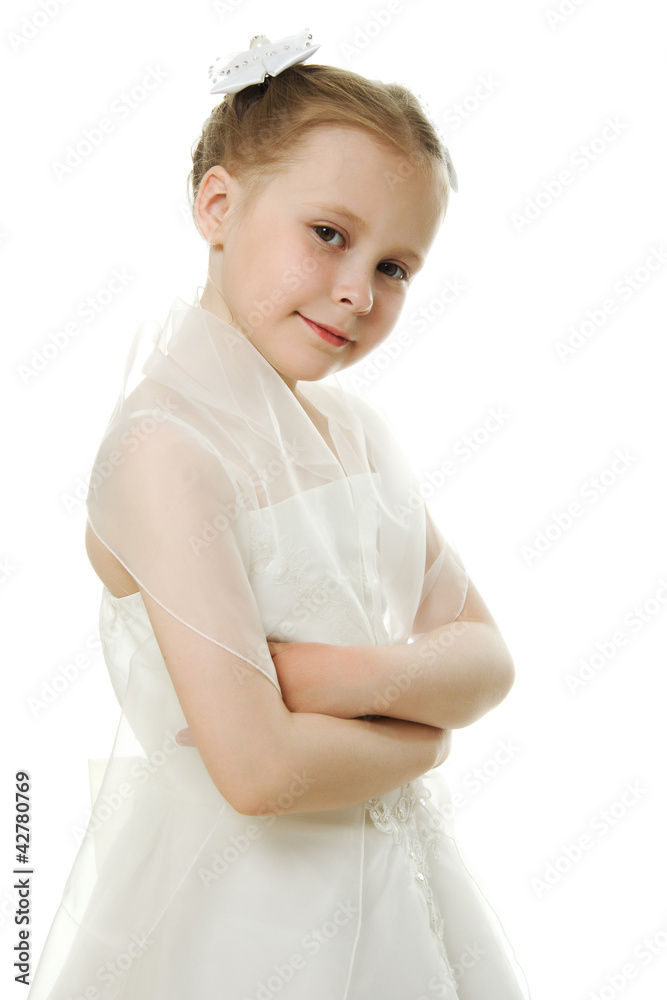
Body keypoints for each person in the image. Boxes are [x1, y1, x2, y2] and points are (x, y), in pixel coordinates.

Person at [28, 30, 533, 1000]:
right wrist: (423, 739)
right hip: (246, 922)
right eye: (330, 235)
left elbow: (485, 657)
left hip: (400, 897)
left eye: (396, 267)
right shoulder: (167, 449)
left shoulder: (356, 433)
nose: (357, 290)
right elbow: (257, 770)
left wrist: (343, 676)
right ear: (218, 205)